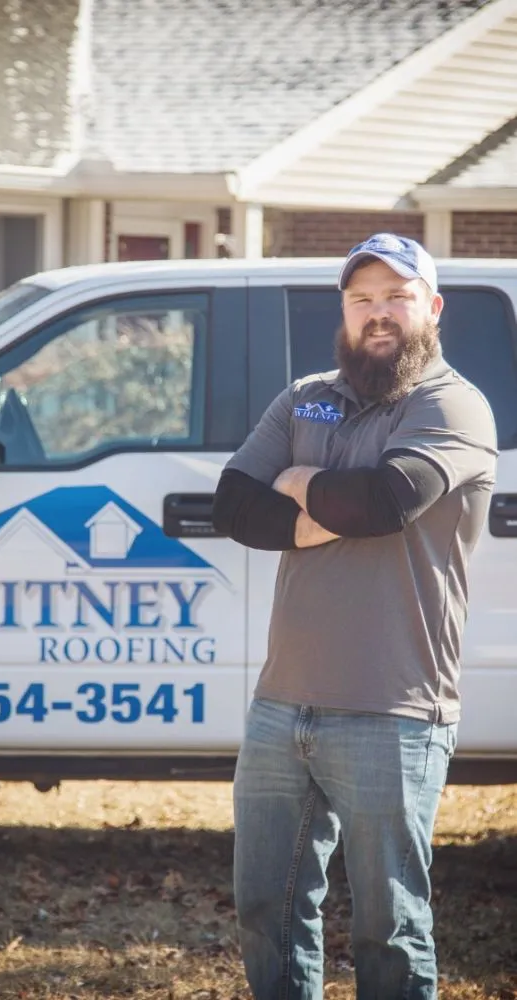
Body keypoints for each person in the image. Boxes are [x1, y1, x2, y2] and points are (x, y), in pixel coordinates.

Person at [212, 233, 497, 1000]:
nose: (378, 314)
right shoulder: (308, 393)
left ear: (430, 309)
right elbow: (234, 504)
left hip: (394, 711)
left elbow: (382, 502)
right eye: (360, 299)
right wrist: (320, 503)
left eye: (396, 297)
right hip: (281, 707)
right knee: (265, 910)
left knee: (388, 929)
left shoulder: (452, 404)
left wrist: (298, 478)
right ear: (342, 311)